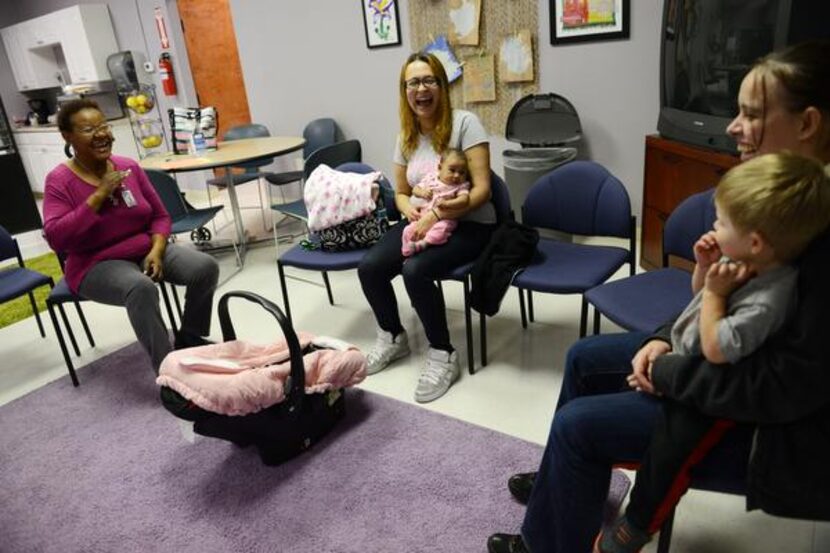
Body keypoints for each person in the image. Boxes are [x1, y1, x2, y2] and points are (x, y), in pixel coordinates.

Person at [487, 39, 830, 553]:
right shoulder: (781, 196)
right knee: (583, 357)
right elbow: (717, 295)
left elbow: (778, 387)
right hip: (719, 366)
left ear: (807, 124)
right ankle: (566, 487)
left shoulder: (817, 235)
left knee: (579, 428)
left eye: (752, 114)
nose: (733, 127)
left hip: (768, 432)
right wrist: (666, 338)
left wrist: (668, 372)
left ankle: (551, 531)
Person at [597, 152, 830, 553]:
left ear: (755, 241)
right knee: (593, 366)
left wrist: (715, 295)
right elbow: (697, 300)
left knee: (671, 447)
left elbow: (717, 348)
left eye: (721, 222)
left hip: (710, 389)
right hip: (687, 358)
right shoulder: (743, 258)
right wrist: (705, 269)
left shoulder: (771, 297)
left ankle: (638, 522)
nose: (714, 227)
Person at [358, 52, 496, 404]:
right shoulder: (406, 135)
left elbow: (482, 190)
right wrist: (414, 213)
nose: (421, 89)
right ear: (404, 91)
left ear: (441, 86)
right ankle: (393, 336)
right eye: (412, 83)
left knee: (414, 270)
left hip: (471, 224)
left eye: (428, 80)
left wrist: (438, 215)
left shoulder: (465, 124)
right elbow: (400, 193)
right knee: (370, 267)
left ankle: (443, 353)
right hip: (422, 221)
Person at [42, 99, 220, 373]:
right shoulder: (59, 180)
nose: (101, 134)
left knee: (204, 267)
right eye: (89, 129)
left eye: (103, 126)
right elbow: (56, 238)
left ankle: (189, 338)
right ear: (67, 137)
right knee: (141, 288)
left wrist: (157, 249)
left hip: (145, 249)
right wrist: (99, 195)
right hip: (94, 264)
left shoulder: (128, 166)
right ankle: (169, 373)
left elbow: (160, 216)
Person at [401, 148, 471, 256]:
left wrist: (448, 204)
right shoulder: (431, 178)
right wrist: (422, 193)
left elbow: (464, 200)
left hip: (445, 218)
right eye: (452, 170)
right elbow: (415, 189)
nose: (457, 175)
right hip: (424, 216)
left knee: (440, 230)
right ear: (440, 167)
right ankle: (407, 251)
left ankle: (423, 244)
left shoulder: (460, 186)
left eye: (462, 172)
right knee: (408, 230)